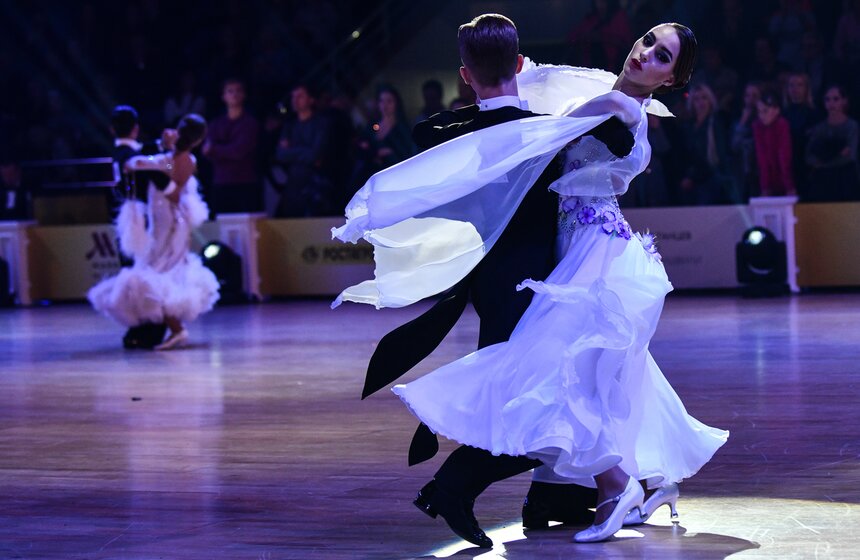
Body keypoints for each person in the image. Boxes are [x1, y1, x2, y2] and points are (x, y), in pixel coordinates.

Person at [334, 22, 728, 546]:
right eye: (648, 40)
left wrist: (511, 90)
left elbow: (548, 130)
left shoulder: (623, 109)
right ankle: (633, 484)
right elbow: (548, 96)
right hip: (569, 245)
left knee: (556, 367)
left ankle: (616, 486)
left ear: (671, 79)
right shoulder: (603, 91)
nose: (646, 52)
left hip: (593, 248)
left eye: (663, 56)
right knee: (597, 374)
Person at [88, 114, 220, 350]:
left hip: (166, 223)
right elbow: (164, 168)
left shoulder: (170, 161)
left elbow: (138, 166)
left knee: (155, 273)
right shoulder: (184, 159)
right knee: (162, 272)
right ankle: (173, 328)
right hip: (171, 222)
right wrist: (163, 149)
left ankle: (176, 329)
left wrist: (157, 154)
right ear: (198, 141)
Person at [203, 79, 261, 215]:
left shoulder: (250, 123)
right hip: (221, 182)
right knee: (221, 222)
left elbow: (238, 151)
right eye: (230, 91)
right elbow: (206, 151)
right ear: (223, 96)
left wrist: (215, 149)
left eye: (238, 91)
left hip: (244, 183)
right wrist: (217, 150)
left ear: (244, 95)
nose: (234, 94)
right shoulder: (215, 124)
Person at [273, 83, 333, 217]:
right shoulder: (290, 125)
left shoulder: (321, 123)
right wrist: (305, 151)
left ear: (311, 100)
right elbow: (280, 154)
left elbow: (315, 155)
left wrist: (292, 151)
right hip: (293, 184)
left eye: (300, 96)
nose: (295, 100)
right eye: (293, 96)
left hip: (315, 184)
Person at [351, 84, 416, 188]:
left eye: (389, 101)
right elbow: (360, 148)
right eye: (381, 101)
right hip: (369, 179)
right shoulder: (372, 126)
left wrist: (389, 153)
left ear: (396, 103)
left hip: (394, 180)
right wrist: (376, 153)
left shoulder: (403, 128)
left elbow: (407, 154)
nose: (385, 105)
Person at [805, 85, 860, 202]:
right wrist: (838, 152)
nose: (831, 103)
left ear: (844, 101)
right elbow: (809, 156)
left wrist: (823, 162)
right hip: (824, 181)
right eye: (827, 99)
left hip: (845, 180)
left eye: (836, 99)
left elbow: (850, 156)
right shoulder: (819, 128)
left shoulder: (852, 126)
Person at [752, 89, 796, 198]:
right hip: (767, 177)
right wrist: (765, 187)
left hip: (785, 177)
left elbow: (784, 157)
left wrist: (789, 186)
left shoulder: (782, 125)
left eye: (765, 111)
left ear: (777, 110)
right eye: (759, 111)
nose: (761, 116)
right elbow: (762, 158)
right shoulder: (757, 126)